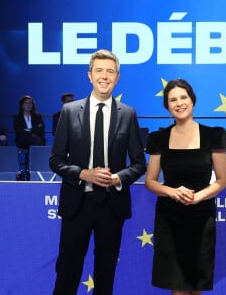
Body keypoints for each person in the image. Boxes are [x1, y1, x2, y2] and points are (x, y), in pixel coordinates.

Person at [50, 49, 146, 295]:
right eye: (99, 71)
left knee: (105, 276)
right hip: (76, 204)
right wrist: (83, 174)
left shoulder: (128, 113)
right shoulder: (70, 111)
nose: (105, 76)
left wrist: (118, 178)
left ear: (118, 77)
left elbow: (138, 163)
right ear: (89, 75)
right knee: (67, 273)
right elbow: (56, 160)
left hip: (111, 206)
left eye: (110, 71)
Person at [144, 78, 226, 295]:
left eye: (183, 97)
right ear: (167, 106)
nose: (179, 103)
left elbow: (222, 180)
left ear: (192, 100)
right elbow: (150, 181)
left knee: (196, 286)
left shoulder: (214, 135)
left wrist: (199, 197)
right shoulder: (158, 138)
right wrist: (172, 191)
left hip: (201, 217)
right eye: (173, 100)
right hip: (170, 219)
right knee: (178, 288)